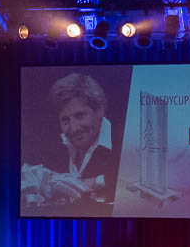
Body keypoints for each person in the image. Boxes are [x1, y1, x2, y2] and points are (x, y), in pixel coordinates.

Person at [21, 73, 119, 210]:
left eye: (80, 116)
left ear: (99, 110)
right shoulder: (54, 144)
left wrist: (90, 183)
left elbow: (129, 184)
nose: (74, 128)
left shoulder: (126, 140)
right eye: (65, 120)